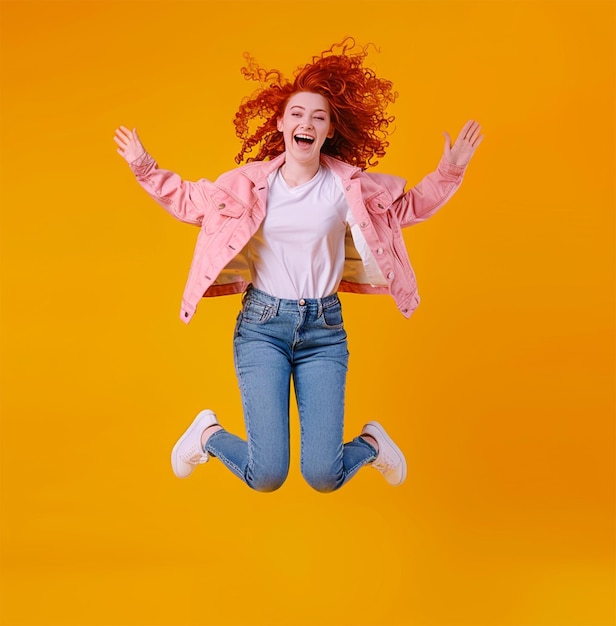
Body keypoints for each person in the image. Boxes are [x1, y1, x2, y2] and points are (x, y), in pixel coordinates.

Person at [114, 40, 483, 493]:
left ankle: (371, 444)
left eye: (319, 117)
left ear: (329, 131)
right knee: (267, 474)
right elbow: (190, 201)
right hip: (262, 327)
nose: (306, 123)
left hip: (323, 330)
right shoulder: (249, 184)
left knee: (323, 476)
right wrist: (144, 166)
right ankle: (208, 436)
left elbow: (405, 209)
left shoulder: (347, 187)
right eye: (297, 114)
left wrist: (449, 171)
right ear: (281, 124)